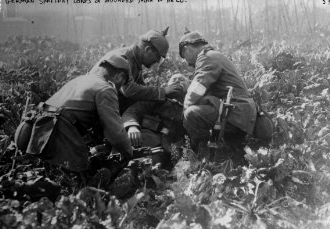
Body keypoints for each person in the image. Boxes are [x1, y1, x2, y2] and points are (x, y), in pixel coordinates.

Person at [16, 53, 133, 181]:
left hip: (34, 131)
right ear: (119, 76)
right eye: (122, 83)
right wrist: (129, 152)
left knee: (43, 177)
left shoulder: (80, 79)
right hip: (58, 134)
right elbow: (115, 132)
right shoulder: (105, 89)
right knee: (78, 185)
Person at [178, 30, 258, 159]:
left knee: (191, 114)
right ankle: (224, 152)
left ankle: (203, 157)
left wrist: (184, 112)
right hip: (239, 113)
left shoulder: (207, 57)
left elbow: (197, 90)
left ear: (188, 49)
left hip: (236, 113)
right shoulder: (214, 56)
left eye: (184, 56)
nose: (187, 62)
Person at [90, 27, 181, 114]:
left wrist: (165, 95)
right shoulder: (124, 59)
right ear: (148, 50)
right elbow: (129, 90)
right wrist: (163, 91)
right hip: (93, 106)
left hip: (104, 103)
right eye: (157, 56)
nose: (157, 61)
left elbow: (141, 87)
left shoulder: (135, 60)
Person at [122, 74, 190, 169]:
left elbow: (189, 137)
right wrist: (132, 126)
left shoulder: (188, 109)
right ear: (168, 85)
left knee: (144, 169)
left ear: (188, 87)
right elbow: (133, 111)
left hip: (161, 151)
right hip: (139, 140)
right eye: (174, 79)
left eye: (182, 80)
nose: (177, 81)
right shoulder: (154, 99)